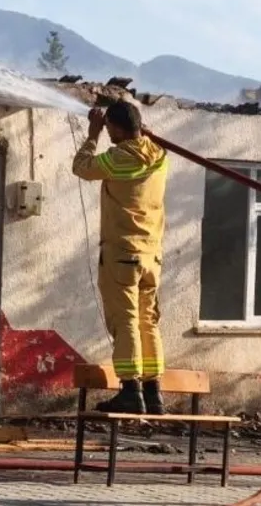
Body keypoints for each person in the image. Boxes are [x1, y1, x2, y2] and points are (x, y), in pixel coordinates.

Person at [72, 100, 170, 415]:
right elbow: (147, 142)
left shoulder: (120, 157)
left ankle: (130, 390)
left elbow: (82, 167)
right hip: (151, 255)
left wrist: (92, 134)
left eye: (109, 127)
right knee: (147, 321)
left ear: (114, 127)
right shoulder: (160, 155)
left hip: (122, 253)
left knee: (125, 321)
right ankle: (153, 392)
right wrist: (143, 134)